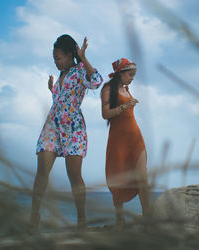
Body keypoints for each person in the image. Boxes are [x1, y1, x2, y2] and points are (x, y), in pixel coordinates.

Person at [30, 34, 103, 231]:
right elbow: (60, 101)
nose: (56, 62)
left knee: (74, 176)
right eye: (54, 59)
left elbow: (96, 81)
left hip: (73, 127)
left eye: (59, 58)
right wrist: (52, 90)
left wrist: (84, 58)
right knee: (41, 174)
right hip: (52, 126)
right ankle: (33, 220)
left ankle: (81, 221)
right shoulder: (61, 76)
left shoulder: (80, 70)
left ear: (71, 55)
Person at [101, 58, 150, 228]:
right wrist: (125, 105)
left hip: (136, 138)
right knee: (119, 177)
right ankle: (119, 219)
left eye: (134, 75)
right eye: (130, 74)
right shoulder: (108, 88)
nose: (132, 78)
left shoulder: (126, 89)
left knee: (142, 177)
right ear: (120, 73)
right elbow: (105, 114)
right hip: (118, 140)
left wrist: (128, 103)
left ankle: (147, 218)